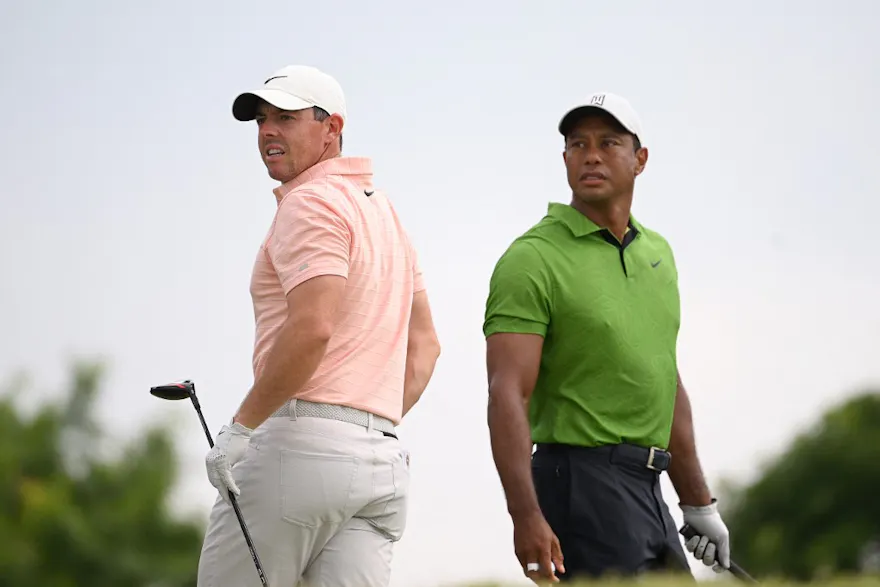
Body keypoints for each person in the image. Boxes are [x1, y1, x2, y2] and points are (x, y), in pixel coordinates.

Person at [196, 64, 441, 587]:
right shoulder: (386, 213)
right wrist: (364, 425)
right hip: (381, 463)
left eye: (286, 117)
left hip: (298, 455)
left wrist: (240, 428)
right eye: (261, 120)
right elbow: (427, 347)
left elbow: (311, 329)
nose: (268, 132)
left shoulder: (310, 203)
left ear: (332, 128)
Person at [482, 92, 731, 584]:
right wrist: (525, 516)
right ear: (565, 159)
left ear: (640, 159)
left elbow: (665, 381)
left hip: (648, 486)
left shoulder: (658, 255)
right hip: (578, 482)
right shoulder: (532, 258)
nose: (590, 155)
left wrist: (698, 501)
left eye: (608, 142)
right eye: (578, 144)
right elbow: (506, 391)